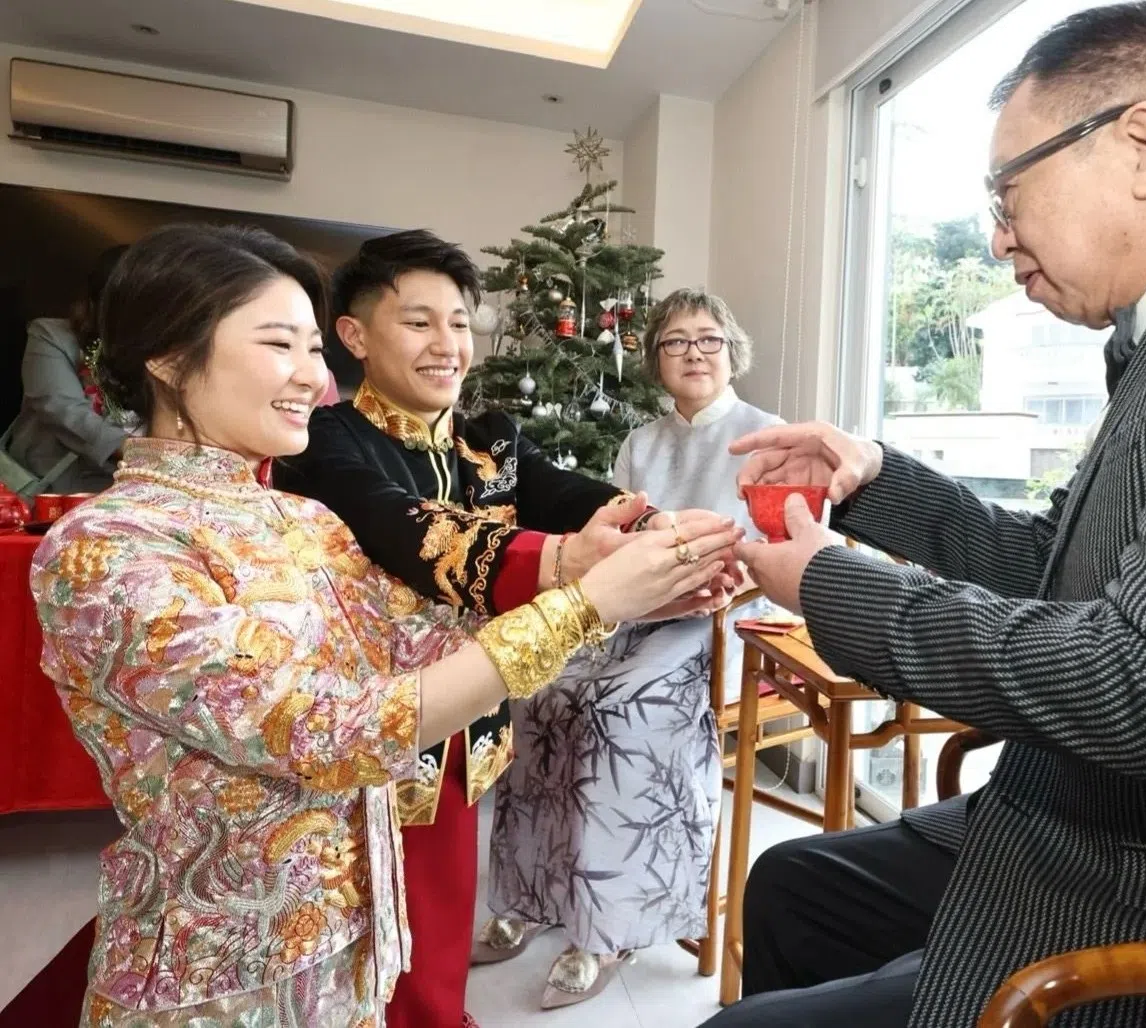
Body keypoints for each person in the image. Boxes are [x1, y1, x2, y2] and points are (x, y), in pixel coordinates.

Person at [708, 4, 1146, 1027]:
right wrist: (873, 478)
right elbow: (1051, 561)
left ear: (1144, 142)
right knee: (791, 887)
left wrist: (835, 587)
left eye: (1009, 190)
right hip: (1069, 813)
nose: (996, 234)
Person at [27, 222, 740, 1027]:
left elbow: (435, 640)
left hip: (352, 965)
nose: (309, 377)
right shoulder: (108, 545)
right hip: (218, 983)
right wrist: (589, 593)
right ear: (166, 356)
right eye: (278, 345)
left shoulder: (301, 522)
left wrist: (656, 579)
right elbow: (327, 728)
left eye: (309, 349)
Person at [273, 231, 739, 1027]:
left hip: (469, 716)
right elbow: (410, 531)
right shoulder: (326, 441)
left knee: (445, 903)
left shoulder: (489, 438)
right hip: (365, 732)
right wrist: (564, 565)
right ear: (353, 336)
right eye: (419, 323)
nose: (447, 344)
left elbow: (575, 494)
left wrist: (672, 541)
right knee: (358, 929)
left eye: (459, 323)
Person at [475, 288, 783, 1007]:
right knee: (539, 688)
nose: (695, 353)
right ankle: (530, 898)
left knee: (618, 711)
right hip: (633, 611)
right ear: (655, 362)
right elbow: (614, 539)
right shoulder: (640, 443)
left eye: (708, 339)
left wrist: (690, 584)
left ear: (732, 350)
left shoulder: (766, 434)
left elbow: (767, 554)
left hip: (715, 620)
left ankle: (607, 928)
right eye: (676, 342)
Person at [6, 245, 130, 494]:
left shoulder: (164, 352)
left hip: (125, 492)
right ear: (97, 302)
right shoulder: (50, 335)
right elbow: (62, 410)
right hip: (48, 490)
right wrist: (140, 451)